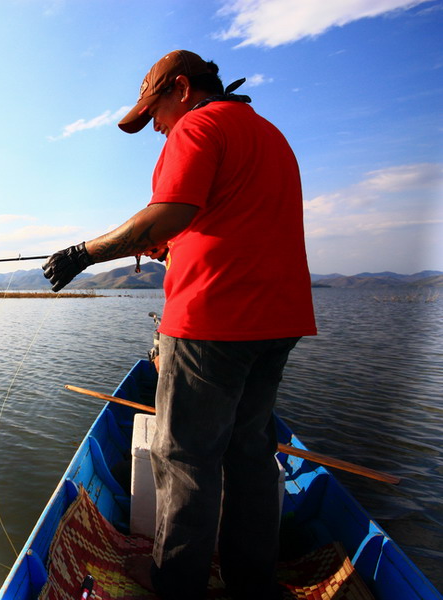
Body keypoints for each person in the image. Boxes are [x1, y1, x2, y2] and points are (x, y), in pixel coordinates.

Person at [42, 50, 317, 600]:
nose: (157, 127)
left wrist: (84, 252)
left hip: (213, 322)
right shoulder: (268, 135)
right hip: (279, 318)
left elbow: (170, 212)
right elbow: (226, 223)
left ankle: (176, 584)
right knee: (250, 454)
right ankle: (252, 583)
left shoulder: (197, 126)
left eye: (155, 113)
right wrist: (172, 249)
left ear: (183, 90)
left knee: (185, 458)